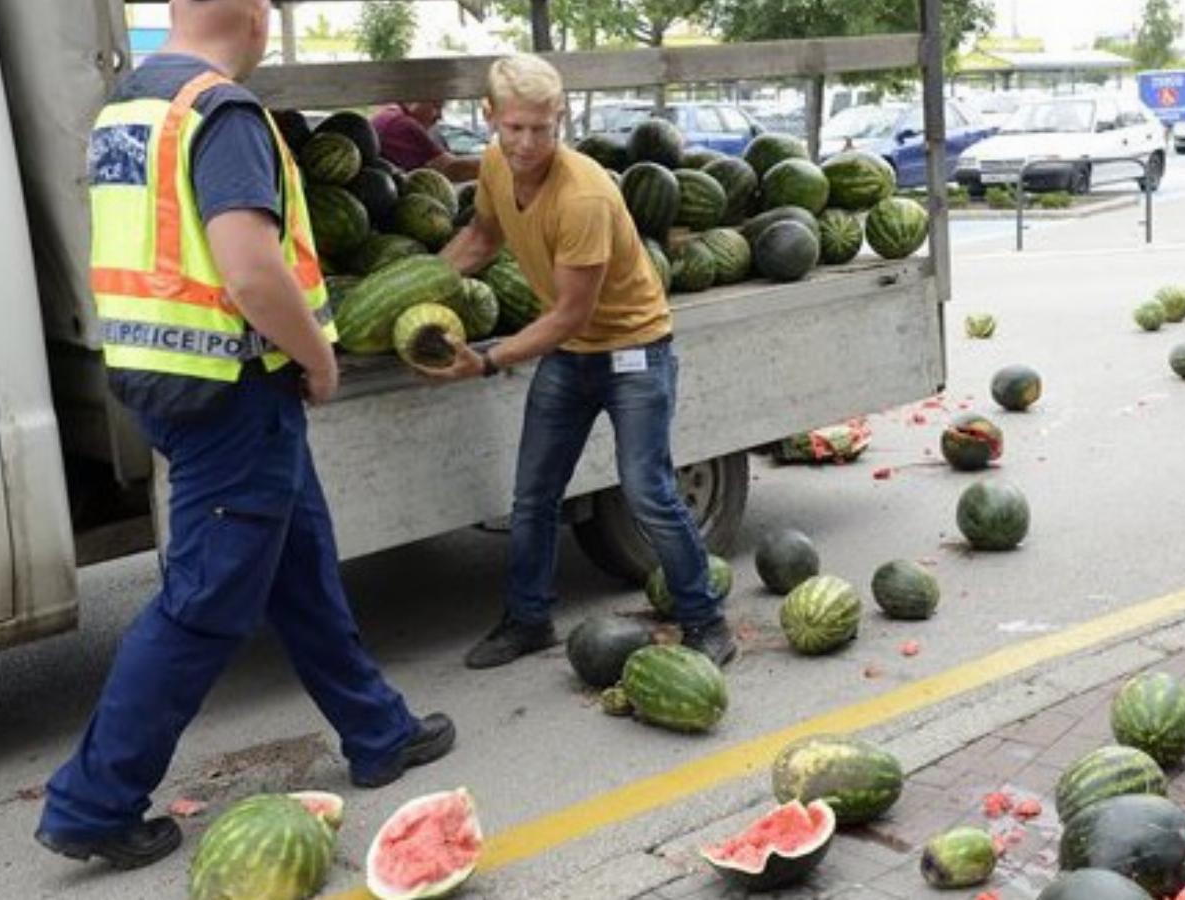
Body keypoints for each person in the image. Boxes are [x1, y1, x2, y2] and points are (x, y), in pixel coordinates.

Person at [37, 0, 454, 870]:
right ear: (252, 14)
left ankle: (380, 732)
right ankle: (95, 800)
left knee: (300, 559)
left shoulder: (132, 105)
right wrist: (320, 358)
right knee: (207, 601)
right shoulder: (219, 110)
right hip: (233, 386)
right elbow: (250, 267)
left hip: (165, 376)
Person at [420, 54, 736, 670]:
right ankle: (528, 618)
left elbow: (569, 313)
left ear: (559, 118)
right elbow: (481, 241)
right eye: (514, 128)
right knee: (533, 496)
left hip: (631, 352)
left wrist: (486, 362)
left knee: (648, 492)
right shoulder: (493, 165)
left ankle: (705, 619)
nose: (527, 143)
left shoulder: (584, 195)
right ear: (490, 118)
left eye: (542, 128)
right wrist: (417, 286)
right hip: (570, 355)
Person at [371, 100, 480, 180]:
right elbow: (453, 169)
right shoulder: (403, 124)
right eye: (436, 106)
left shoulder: (389, 114)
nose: (440, 116)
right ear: (415, 100)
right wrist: (493, 161)